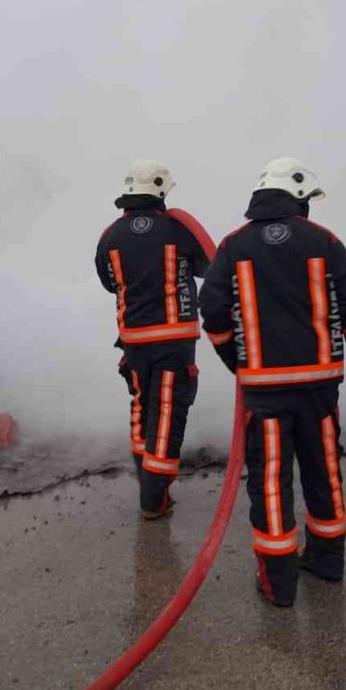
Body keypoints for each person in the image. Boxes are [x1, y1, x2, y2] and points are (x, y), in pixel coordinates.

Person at [198, 157, 346, 607]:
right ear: (299, 199)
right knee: (324, 472)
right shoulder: (325, 241)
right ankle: (328, 563)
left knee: (271, 483)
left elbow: (212, 311)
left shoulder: (234, 246)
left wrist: (235, 359)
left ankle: (279, 585)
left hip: (265, 390)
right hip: (319, 386)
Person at [95, 160, 215, 519]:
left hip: (133, 342)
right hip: (174, 341)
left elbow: (109, 283)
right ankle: (153, 500)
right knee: (166, 416)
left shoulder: (110, 236)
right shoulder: (178, 227)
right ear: (162, 190)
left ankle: (146, 484)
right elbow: (211, 266)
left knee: (141, 409)